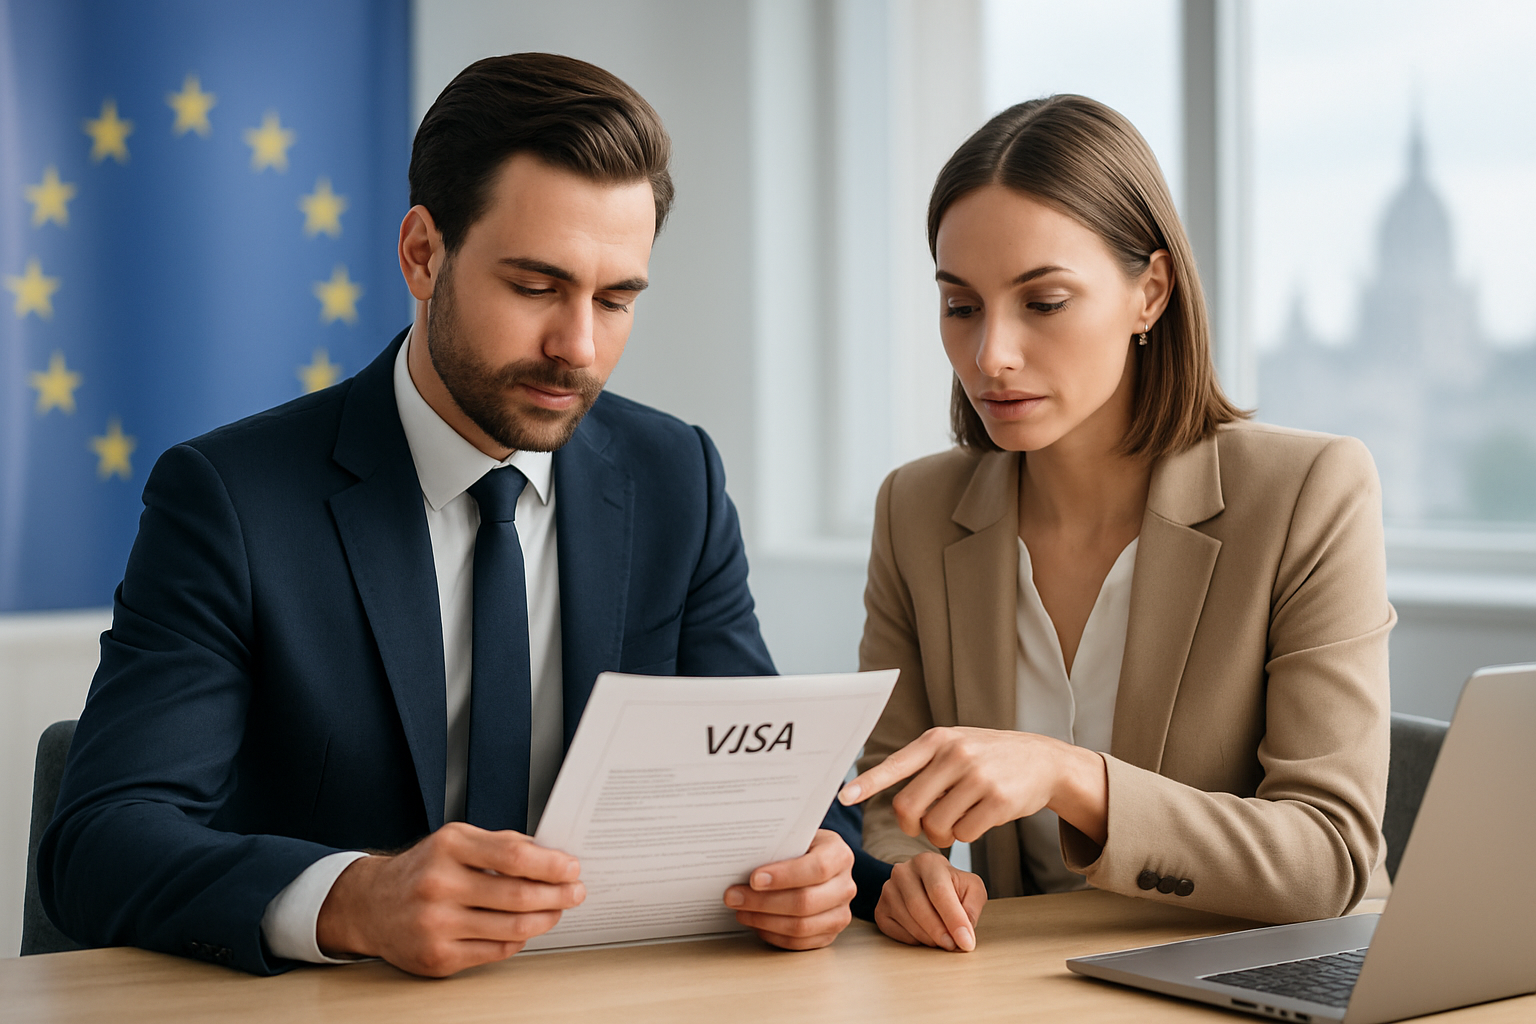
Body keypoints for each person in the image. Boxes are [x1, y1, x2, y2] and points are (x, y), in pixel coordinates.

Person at [39, 52, 886, 978]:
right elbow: (101, 841)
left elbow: (770, 780)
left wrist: (821, 863)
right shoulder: (230, 499)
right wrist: (356, 899)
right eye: (535, 287)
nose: (578, 347)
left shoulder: (674, 476)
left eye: (615, 299)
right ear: (422, 254)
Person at [837, 95, 1394, 954]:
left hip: (1262, 970)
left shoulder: (1309, 492)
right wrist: (908, 873)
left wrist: (1071, 778)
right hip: (1027, 981)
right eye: (962, 306)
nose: (991, 355)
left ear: (1150, 293)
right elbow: (888, 794)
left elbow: (1327, 859)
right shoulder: (914, 511)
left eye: (1044, 302)